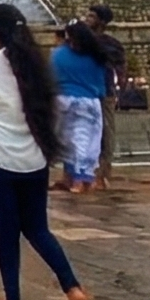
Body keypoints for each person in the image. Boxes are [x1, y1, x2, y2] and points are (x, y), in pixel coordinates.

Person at [0, 4, 88, 300]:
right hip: (33, 159)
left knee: (6, 230)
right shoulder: (36, 65)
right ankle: (72, 287)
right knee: (37, 229)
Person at [51, 22, 108, 193]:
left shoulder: (58, 54)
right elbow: (100, 83)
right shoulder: (97, 56)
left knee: (67, 141)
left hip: (62, 101)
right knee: (86, 142)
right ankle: (82, 178)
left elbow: (50, 78)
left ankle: (70, 177)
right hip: (88, 101)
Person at [85, 4, 126, 187]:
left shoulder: (110, 44)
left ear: (101, 21)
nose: (87, 19)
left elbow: (121, 68)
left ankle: (103, 171)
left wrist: (119, 87)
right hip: (84, 91)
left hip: (104, 91)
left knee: (106, 131)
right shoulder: (82, 41)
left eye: (92, 16)